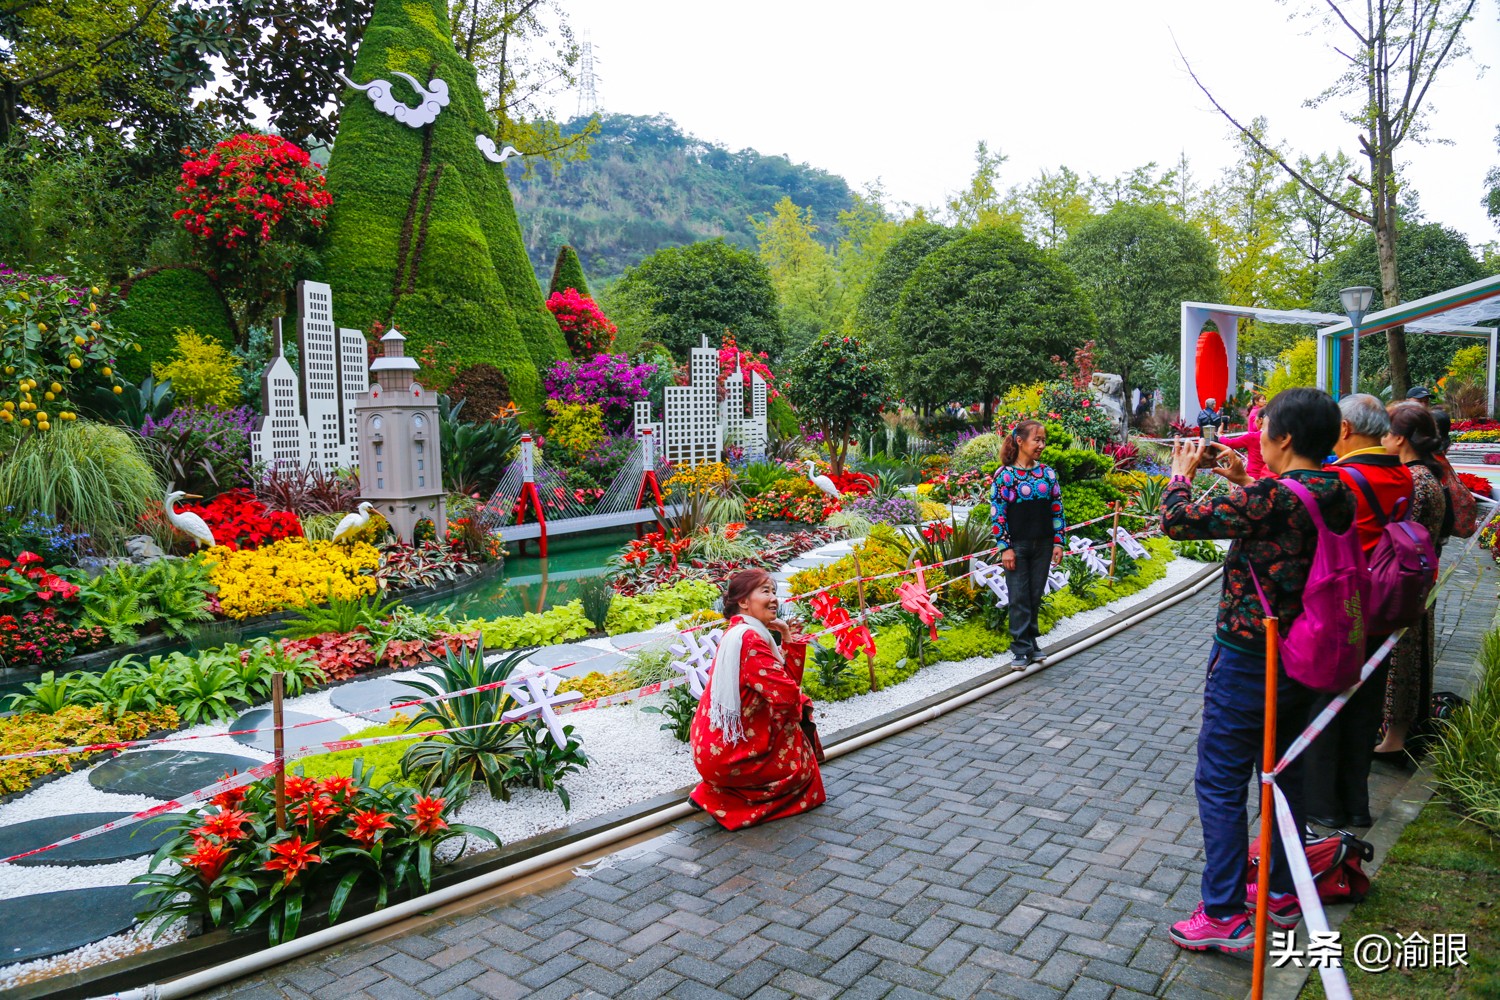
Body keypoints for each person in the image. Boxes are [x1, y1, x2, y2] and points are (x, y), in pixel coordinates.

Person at [1161, 387, 1354, 954]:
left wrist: (1181, 474)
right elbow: (1285, 519)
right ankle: (1281, 893)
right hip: (1304, 656)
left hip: (1250, 657)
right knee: (1281, 776)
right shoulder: (1335, 489)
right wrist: (1245, 480)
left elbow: (1175, 521)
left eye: (1264, 425)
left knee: (1220, 781)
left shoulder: (1272, 498)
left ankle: (1222, 912)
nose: (1260, 434)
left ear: (1286, 437)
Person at [1302, 394, 1414, 830]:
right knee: (1365, 707)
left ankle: (1321, 805)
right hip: (1384, 607)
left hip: (1342, 609)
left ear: (1344, 430)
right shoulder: (1401, 473)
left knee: (1325, 704)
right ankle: (1355, 804)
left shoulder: (1340, 479)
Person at [688, 569, 825, 829]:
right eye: (765, 591)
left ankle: (715, 793)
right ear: (743, 601)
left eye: (774, 592)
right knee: (802, 762)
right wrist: (801, 715)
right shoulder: (751, 639)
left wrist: (785, 634)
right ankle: (716, 800)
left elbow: (783, 686)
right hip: (729, 755)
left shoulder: (736, 633)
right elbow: (787, 696)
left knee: (789, 715)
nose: (773, 598)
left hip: (711, 749)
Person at [1374, 402, 1450, 757]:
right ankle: (1399, 732)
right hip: (1418, 578)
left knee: (1402, 659)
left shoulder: (1414, 480)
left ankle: (1395, 739)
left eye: (1386, 434)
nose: (1382, 440)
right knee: (1411, 654)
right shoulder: (1429, 476)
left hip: (1404, 582)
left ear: (1400, 439)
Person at [990, 420, 1064, 669]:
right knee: (1019, 596)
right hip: (1017, 545)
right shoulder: (1005, 476)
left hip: (1043, 544)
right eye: (1037, 440)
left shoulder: (1048, 473)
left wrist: (1058, 542)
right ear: (1020, 441)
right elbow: (998, 513)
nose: (1041, 445)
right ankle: (1021, 648)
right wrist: (1005, 547)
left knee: (1034, 595)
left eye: (1043, 440)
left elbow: (1057, 509)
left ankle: (1031, 643)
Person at [1219, 392, 1268, 479]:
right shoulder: (1280, 437)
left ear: (1260, 420)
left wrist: (1220, 435)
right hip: (1271, 479)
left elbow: (1230, 443)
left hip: (1254, 478)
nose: (1265, 401)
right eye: (1263, 399)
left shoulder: (1253, 437)